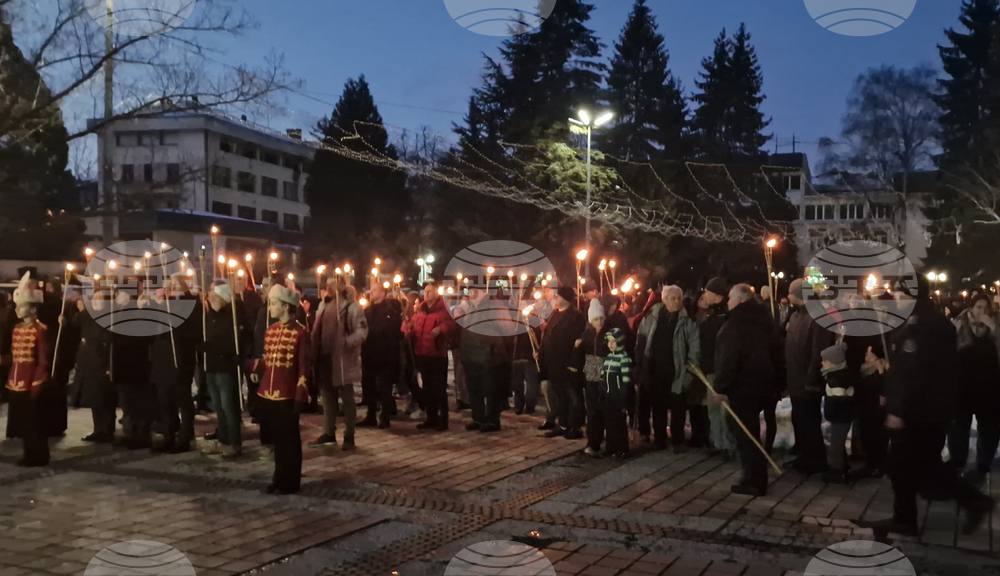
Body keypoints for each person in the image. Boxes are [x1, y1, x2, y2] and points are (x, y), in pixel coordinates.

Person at [859, 277, 994, 536]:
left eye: (898, 293)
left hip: (921, 411)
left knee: (907, 465)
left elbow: (913, 374)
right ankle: (913, 515)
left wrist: (897, 411)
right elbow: (911, 368)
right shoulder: (925, 321)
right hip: (929, 408)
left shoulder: (921, 326)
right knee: (919, 465)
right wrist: (883, 367)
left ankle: (918, 515)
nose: (894, 298)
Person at [713, 284, 783, 496]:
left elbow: (729, 358)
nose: (728, 302)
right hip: (762, 383)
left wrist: (720, 386)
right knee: (749, 432)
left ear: (740, 300)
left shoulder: (736, 323)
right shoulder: (764, 319)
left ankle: (755, 478)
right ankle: (752, 475)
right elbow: (777, 350)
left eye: (731, 298)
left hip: (742, 386)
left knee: (745, 434)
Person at [254, 284, 311, 495]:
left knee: (290, 440)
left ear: (286, 306)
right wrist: (249, 364)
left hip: (287, 394)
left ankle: (291, 480)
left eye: (273, 303)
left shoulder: (300, 333)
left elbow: (304, 366)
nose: (270, 307)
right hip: (269, 393)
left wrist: (301, 394)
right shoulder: (271, 331)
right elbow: (269, 362)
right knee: (277, 440)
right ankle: (278, 477)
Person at [635, 285, 700, 452]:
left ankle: (677, 440)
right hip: (655, 369)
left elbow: (695, 347)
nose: (677, 301)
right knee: (658, 407)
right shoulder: (652, 316)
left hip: (678, 370)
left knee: (678, 407)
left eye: (679, 298)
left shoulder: (687, 319)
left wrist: (689, 370)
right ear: (664, 300)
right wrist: (641, 364)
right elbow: (641, 340)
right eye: (673, 298)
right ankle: (660, 439)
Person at [948, 294, 1000, 484]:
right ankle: (957, 462)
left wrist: (995, 329)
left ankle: (983, 465)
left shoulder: (996, 327)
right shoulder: (960, 325)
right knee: (959, 428)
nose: (982, 311)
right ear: (971, 308)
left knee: (989, 429)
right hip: (963, 387)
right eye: (978, 307)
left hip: (990, 388)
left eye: (986, 308)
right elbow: (949, 353)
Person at [312, 275, 368, 448]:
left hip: (343, 359)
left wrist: (346, 342)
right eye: (328, 284)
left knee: (347, 398)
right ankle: (329, 431)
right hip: (325, 358)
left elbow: (362, 332)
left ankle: (349, 435)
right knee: (328, 397)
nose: (329, 287)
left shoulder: (351, 307)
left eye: (333, 284)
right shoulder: (323, 305)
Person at [783, 278, 833, 474]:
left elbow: (818, 351)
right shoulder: (796, 315)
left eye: (791, 293)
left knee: (809, 421)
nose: (788, 296)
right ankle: (803, 455)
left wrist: (812, 379)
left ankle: (815, 459)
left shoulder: (818, 317)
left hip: (807, 381)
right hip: (795, 377)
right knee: (799, 419)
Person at [149, 274, 202, 453]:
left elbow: (193, 330)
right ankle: (168, 434)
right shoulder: (166, 303)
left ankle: (185, 437)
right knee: (165, 400)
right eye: (170, 285)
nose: (171, 288)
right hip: (163, 356)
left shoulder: (192, 304)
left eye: (175, 285)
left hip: (180, 356)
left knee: (182, 398)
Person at [199, 280, 248, 457]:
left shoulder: (233, 315)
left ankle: (233, 442)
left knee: (229, 406)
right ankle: (223, 439)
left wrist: (213, 347)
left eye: (215, 295)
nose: (210, 297)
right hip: (212, 365)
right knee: (218, 406)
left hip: (226, 366)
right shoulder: (210, 315)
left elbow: (232, 341)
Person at [5, 272, 50, 466]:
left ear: (32, 309)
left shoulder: (40, 330)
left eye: (21, 306)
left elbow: (43, 360)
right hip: (16, 383)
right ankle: (28, 454)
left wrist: (37, 382)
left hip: (31, 383)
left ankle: (38, 455)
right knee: (24, 423)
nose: (17, 310)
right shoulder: (17, 328)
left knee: (35, 424)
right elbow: (15, 357)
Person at [111, 275, 155, 450]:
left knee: (139, 401)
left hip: (137, 363)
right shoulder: (120, 310)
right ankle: (130, 432)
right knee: (127, 402)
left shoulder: (141, 309)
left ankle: (142, 434)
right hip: (123, 363)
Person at [537, 286, 587, 439]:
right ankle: (563, 425)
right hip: (554, 365)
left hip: (567, 365)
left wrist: (573, 363)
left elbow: (577, 342)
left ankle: (575, 427)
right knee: (560, 398)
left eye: (558, 296)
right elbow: (548, 336)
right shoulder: (554, 314)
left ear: (565, 298)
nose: (555, 299)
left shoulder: (576, 316)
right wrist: (541, 353)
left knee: (572, 397)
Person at [405, 281, 455, 431]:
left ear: (436, 293)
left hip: (437, 354)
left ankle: (443, 419)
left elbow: (451, 325)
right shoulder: (421, 310)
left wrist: (440, 329)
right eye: (425, 291)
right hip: (422, 353)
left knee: (439, 389)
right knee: (426, 388)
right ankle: (431, 417)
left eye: (430, 291)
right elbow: (412, 325)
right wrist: (408, 330)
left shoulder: (443, 309)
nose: (426, 294)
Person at [459, 288, 509, 432]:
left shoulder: (495, 306)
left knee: (492, 389)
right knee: (474, 389)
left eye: (473, 291)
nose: (469, 294)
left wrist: (495, 346)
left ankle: (492, 420)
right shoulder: (471, 308)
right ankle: (478, 418)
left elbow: (508, 328)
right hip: (471, 356)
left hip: (489, 356)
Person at [698, 278, 736, 460]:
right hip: (710, 367)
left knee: (724, 409)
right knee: (713, 408)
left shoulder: (725, 316)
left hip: (721, 368)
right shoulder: (713, 314)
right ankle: (717, 442)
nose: (705, 295)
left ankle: (728, 444)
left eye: (707, 292)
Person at [70, 293, 114, 442]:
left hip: (101, 359)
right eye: (94, 298)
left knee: (104, 397)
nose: (95, 300)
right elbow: (75, 323)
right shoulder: (87, 314)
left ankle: (107, 429)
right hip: (88, 359)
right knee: (94, 397)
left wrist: (110, 365)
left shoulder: (109, 316)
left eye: (99, 298)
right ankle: (98, 429)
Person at [361, 283, 402, 429]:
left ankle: (385, 416)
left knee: (384, 387)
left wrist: (368, 332)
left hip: (384, 354)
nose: (371, 293)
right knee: (369, 386)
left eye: (375, 290)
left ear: (383, 293)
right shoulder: (368, 310)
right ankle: (371, 415)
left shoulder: (389, 311)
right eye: (371, 290)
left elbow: (387, 330)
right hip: (369, 354)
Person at [578, 298, 609, 455]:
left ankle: (608, 441)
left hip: (604, 368)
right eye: (596, 319)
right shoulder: (587, 335)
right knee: (592, 408)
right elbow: (580, 352)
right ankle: (593, 441)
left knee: (605, 406)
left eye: (601, 319)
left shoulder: (608, 334)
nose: (599, 322)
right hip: (592, 367)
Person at [820, 341, 854, 483]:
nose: (822, 363)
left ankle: (836, 471)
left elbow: (839, 401)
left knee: (835, 445)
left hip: (839, 417)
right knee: (838, 443)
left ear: (833, 363)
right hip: (842, 417)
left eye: (825, 361)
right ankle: (843, 465)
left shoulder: (836, 380)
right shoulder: (840, 376)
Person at [599, 328, 632, 458]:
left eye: (613, 341)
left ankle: (622, 448)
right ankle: (610, 447)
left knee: (619, 424)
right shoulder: (608, 358)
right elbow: (603, 377)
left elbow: (626, 380)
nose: (610, 344)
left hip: (617, 396)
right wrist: (602, 393)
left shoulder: (623, 358)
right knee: (609, 423)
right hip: (608, 396)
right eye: (609, 342)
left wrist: (623, 398)